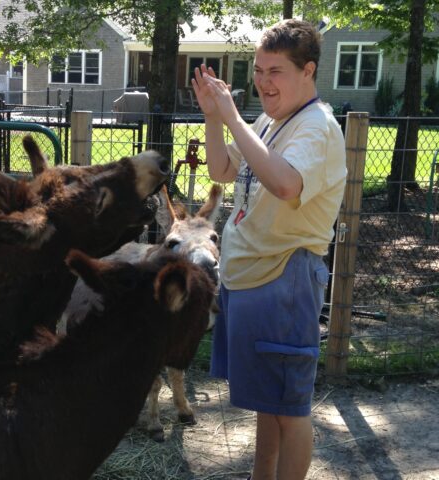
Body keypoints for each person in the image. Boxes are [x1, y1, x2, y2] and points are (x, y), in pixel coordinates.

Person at [191, 19, 347, 480]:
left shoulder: (316, 128)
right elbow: (221, 169)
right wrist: (214, 117)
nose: (262, 81)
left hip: (285, 281)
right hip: (251, 279)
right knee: (267, 405)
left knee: (289, 410)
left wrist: (234, 117)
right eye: (258, 70)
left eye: (275, 71)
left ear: (308, 71)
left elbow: (283, 183)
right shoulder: (270, 121)